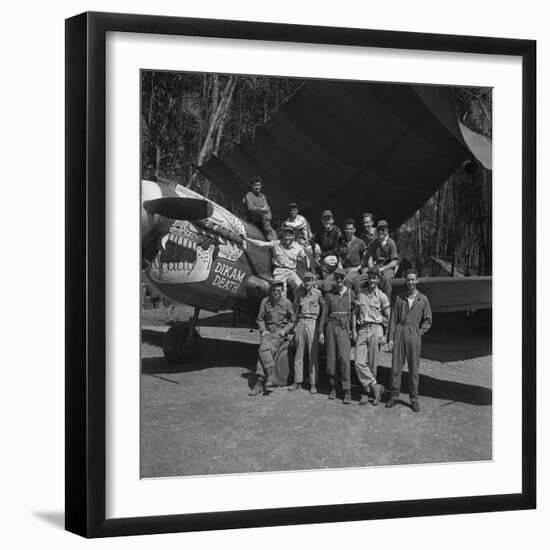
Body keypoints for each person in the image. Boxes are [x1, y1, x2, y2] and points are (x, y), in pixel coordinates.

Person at [386, 269, 432, 412]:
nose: (411, 282)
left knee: (413, 369)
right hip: (400, 331)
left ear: (416, 281)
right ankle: (394, 396)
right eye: (408, 279)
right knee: (396, 367)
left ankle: (414, 399)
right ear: (405, 281)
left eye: (413, 279)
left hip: (413, 334)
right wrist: (391, 338)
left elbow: (428, 319)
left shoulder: (422, 299)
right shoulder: (399, 298)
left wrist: (420, 331)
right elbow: (393, 319)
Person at [249, 280, 295, 396]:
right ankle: (270, 375)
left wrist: (284, 331)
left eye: (278, 290)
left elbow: (292, 320)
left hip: (278, 334)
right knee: (263, 350)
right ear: (271, 291)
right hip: (267, 332)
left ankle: (259, 382)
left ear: (282, 291)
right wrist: (263, 329)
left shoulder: (287, 303)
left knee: (266, 351)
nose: (275, 292)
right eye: (273, 290)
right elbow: (260, 318)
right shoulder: (265, 302)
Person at [352, 267, 389, 406]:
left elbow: (389, 315)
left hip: (376, 329)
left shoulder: (382, 296)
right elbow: (355, 313)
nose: (372, 280)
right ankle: (375, 385)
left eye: (375, 278)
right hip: (362, 329)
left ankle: (367, 394)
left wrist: (385, 334)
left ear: (378, 279)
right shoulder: (361, 294)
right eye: (370, 277)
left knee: (372, 364)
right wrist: (354, 331)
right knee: (358, 362)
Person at [319, 268, 356, 404]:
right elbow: (324, 314)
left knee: (345, 359)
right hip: (331, 327)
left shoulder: (351, 294)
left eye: (341, 278)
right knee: (331, 358)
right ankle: (333, 387)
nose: (339, 280)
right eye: (336, 278)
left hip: (344, 327)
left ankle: (347, 390)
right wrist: (321, 332)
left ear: (344, 279)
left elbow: (354, 314)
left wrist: (353, 329)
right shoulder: (329, 295)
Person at [242, 225, 306, 295]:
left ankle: (296, 303)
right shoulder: (276, 243)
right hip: (279, 271)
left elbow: (305, 258)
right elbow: (261, 244)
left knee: (300, 286)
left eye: (289, 236)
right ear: (283, 236)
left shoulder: (298, 247)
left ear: (293, 237)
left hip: (291, 271)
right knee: (280, 292)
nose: (287, 238)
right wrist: (246, 239)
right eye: (285, 235)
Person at [290, 272, 324, 394]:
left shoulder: (318, 294)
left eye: (309, 280)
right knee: (299, 352)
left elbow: (324, 311)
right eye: (305, 280)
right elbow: (295, 309)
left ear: (313, 281)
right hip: (301, 321)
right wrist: (294, 325)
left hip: (313, 323)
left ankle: (313, 383)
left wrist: (320, 329)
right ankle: (297, 381)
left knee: (312, 354)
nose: (307, 282)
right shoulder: (299, 293)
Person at [366, 219, 399, 300]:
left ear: (387, 230)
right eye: (379, 230)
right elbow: (370, 259)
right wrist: (372, 269)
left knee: (386, 280)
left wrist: (381, 269)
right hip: (376, 267)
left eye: (383, 230)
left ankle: (386, 305)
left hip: (387, 268)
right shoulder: (374, 243)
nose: (380, 232)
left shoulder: (391, 243)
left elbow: (394, 262)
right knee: (363, 278)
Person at [243, 176, 277, 240]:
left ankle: (274, 244)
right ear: (252, 186)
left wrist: (267, 216)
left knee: (274, 233)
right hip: (254, 220)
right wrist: (261, 209)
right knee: (264, 215)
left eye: (258, 185)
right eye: (255, 185)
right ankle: (268, 235)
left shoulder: (263, 196)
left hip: (264, 221)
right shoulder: (249, 195)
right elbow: (251, 208)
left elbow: (267, 209)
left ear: (261, 186)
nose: (257, 187)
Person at [339, 218, 368, 288]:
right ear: (344, 230)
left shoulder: (360, 242)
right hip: (344, 269)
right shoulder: (342, 244)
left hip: (355, 270)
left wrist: (358, 268)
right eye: (347, 229)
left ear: (354, 230)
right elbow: (340, 258)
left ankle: (349, 298)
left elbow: (366, 258)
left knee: (347, 279)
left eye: (351, 229)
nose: (349, 231)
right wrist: (339, 265)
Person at [314, 210, 343, 277]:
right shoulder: (319, 230)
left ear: (332, 220)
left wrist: (322, 256)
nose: (327, 221)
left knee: (328, 261)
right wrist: (315, 245)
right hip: (321, 254)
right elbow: (312, 240)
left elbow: (336, 249)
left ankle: (330, 278)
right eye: (325, 220)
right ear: (322, 221)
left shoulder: (337, 232)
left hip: (332, 256)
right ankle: (316, 272)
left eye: (328, 219)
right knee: (308, 249)